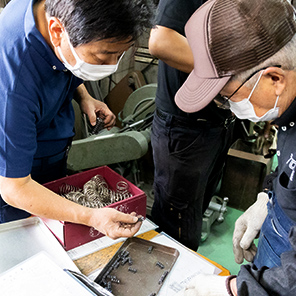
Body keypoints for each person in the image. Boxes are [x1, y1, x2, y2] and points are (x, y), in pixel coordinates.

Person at [0, 0, 154, 239]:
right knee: (30, 243)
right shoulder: (14, 84)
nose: (112, 67)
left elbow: (65, 56)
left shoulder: (50, 9)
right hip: (17, 175)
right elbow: (14, 188)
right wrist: (91, 216)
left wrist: (83, 95)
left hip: (50, 149)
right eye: (102, 57)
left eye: (119, 56)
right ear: (57, 31)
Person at [173, 0, 296, 295]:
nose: (229, 108)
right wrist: (268, 199)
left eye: (229, 96)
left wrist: (231, 289)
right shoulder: (289, 104)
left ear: (274, 79)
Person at [148, 0, 235, 251]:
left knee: (193, 216)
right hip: (186, 130)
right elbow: (161, 41)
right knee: (177, 232)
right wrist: (228, 77)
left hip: (217, 126)